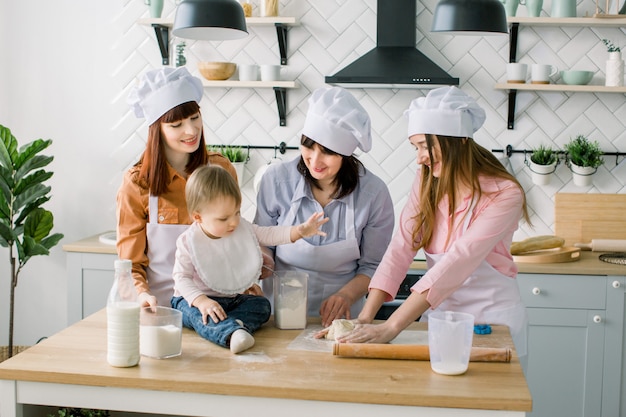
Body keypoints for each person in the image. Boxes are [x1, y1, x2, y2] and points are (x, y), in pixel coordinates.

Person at [329, 86, 530, 363]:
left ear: (458, 141)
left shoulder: (504, 193)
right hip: (440, 321)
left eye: (426, 146)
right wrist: (366, 318)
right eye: (416, 147)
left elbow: (460, 261)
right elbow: (401, 247)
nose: (419, 157)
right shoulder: (427, 180)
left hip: (494, 323)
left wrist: (392, 325)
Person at [254, 86, 395, 327]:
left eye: (328, 152)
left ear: (345, 153)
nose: (314, 160)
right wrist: (262, 261)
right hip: (277, 315)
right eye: (308, 146)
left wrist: (346, 296)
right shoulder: (276, 180)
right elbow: (263, 240)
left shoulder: (373, 194)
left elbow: (373, 267)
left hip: (340, 319)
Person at [171, 165, 328, 353]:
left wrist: (299, 231)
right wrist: (202, 300)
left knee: (261, 305)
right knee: (195, 315)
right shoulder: (189, 242)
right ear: (198, 217)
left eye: (237, 212)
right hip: (191, 301)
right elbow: (181, 279)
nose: (234, 222)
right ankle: (231, 334)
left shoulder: (240, 229)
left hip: (231, 301)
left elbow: (269, 234)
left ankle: (233, 325)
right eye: (224, 218)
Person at [117, 67, 238, 308]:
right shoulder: (137, 183)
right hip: (160, 310)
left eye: (195, 118)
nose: (191, 131)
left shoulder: (221, 170)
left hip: (215, 309)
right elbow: (131, 264)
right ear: (157, 130)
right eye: (176, 125)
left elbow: (234, 241)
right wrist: (141, 296)